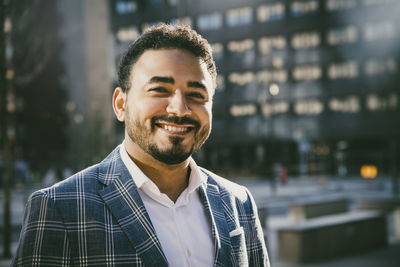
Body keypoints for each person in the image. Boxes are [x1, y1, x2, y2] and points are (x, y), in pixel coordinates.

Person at [13, 24, 270, 267]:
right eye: (159, 89)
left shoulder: (238, 202)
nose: (180, 109)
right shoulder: (58, 208)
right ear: (120, 105)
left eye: (196, 95)